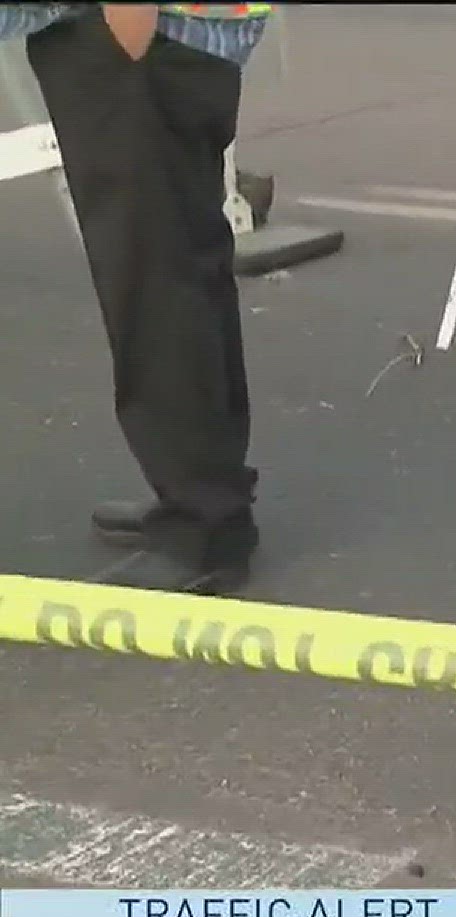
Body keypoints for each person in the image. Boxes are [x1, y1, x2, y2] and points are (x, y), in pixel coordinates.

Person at [0, 3, 272, 595]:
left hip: (137, 35)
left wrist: (127, 19)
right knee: (178, 267)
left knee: (155, 280)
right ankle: (206, 497)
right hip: (158, 34)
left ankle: (204, 524)